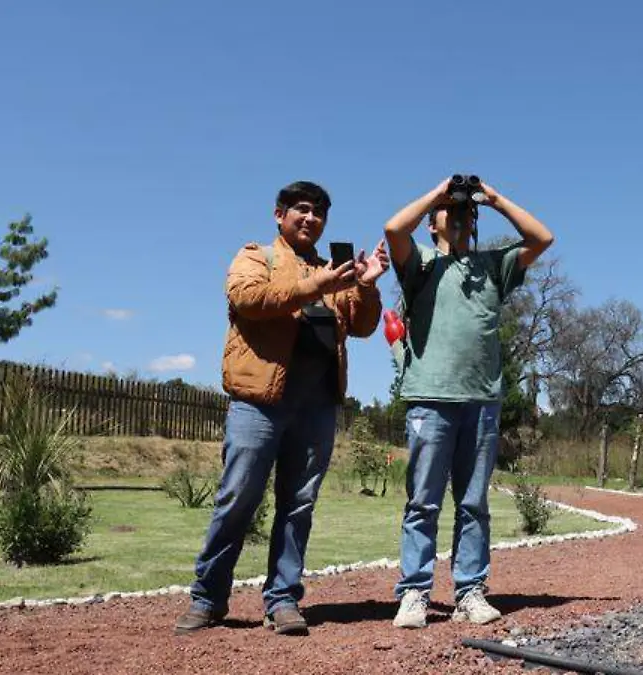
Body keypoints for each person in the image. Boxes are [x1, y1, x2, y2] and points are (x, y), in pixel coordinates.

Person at [174, 180, 388, 636]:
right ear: (280, 215)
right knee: (237, 499)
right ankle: (208, 598)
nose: (311, 220)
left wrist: (365, 286)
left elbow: (365, 325)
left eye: (319, 214)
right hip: (259, 402)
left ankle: (283, 599)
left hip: (317, 405)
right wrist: (316, 284)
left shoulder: (334, 272)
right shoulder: (257, 257)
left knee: (298, 505)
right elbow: (247, 299)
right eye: (303, 210)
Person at [383, 176, 554, 628]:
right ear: (433, 222)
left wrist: (494, 200)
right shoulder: (420, 263)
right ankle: (415, 593)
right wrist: (435, 196)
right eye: (451, 211)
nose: (460, 216)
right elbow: (394, 229)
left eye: (467, 212)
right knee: (423, 502)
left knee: (474, 503)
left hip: (481, 401)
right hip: (430, 399)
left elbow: (542, 237)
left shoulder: (493, 266)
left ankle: (470, 591)